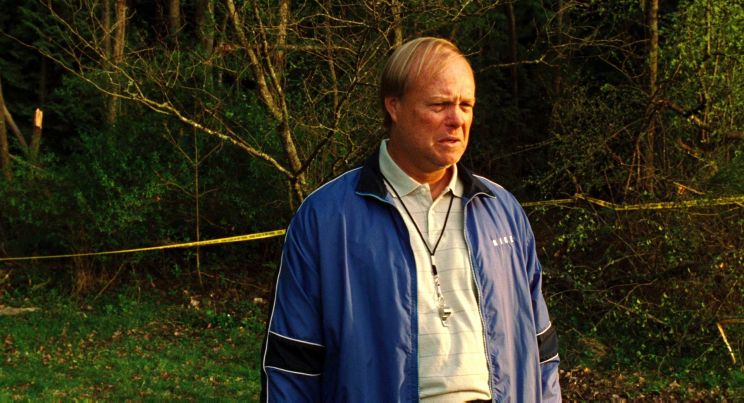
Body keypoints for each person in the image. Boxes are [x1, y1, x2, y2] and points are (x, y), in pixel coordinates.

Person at [261, 37, 561, 402]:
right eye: (439, 105)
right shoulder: (325, 218)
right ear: (394, 106)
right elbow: (292, 365)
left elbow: (543, 352)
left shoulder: (502, 212)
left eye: (466, 105)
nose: (457, 119)